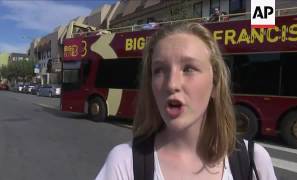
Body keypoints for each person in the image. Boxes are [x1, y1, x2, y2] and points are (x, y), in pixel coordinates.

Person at [95, 23, 277, 180]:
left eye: (189, 68)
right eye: (159, 70)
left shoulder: (253, 161)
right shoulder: (124, 162)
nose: (171, 84)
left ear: (214, 85)